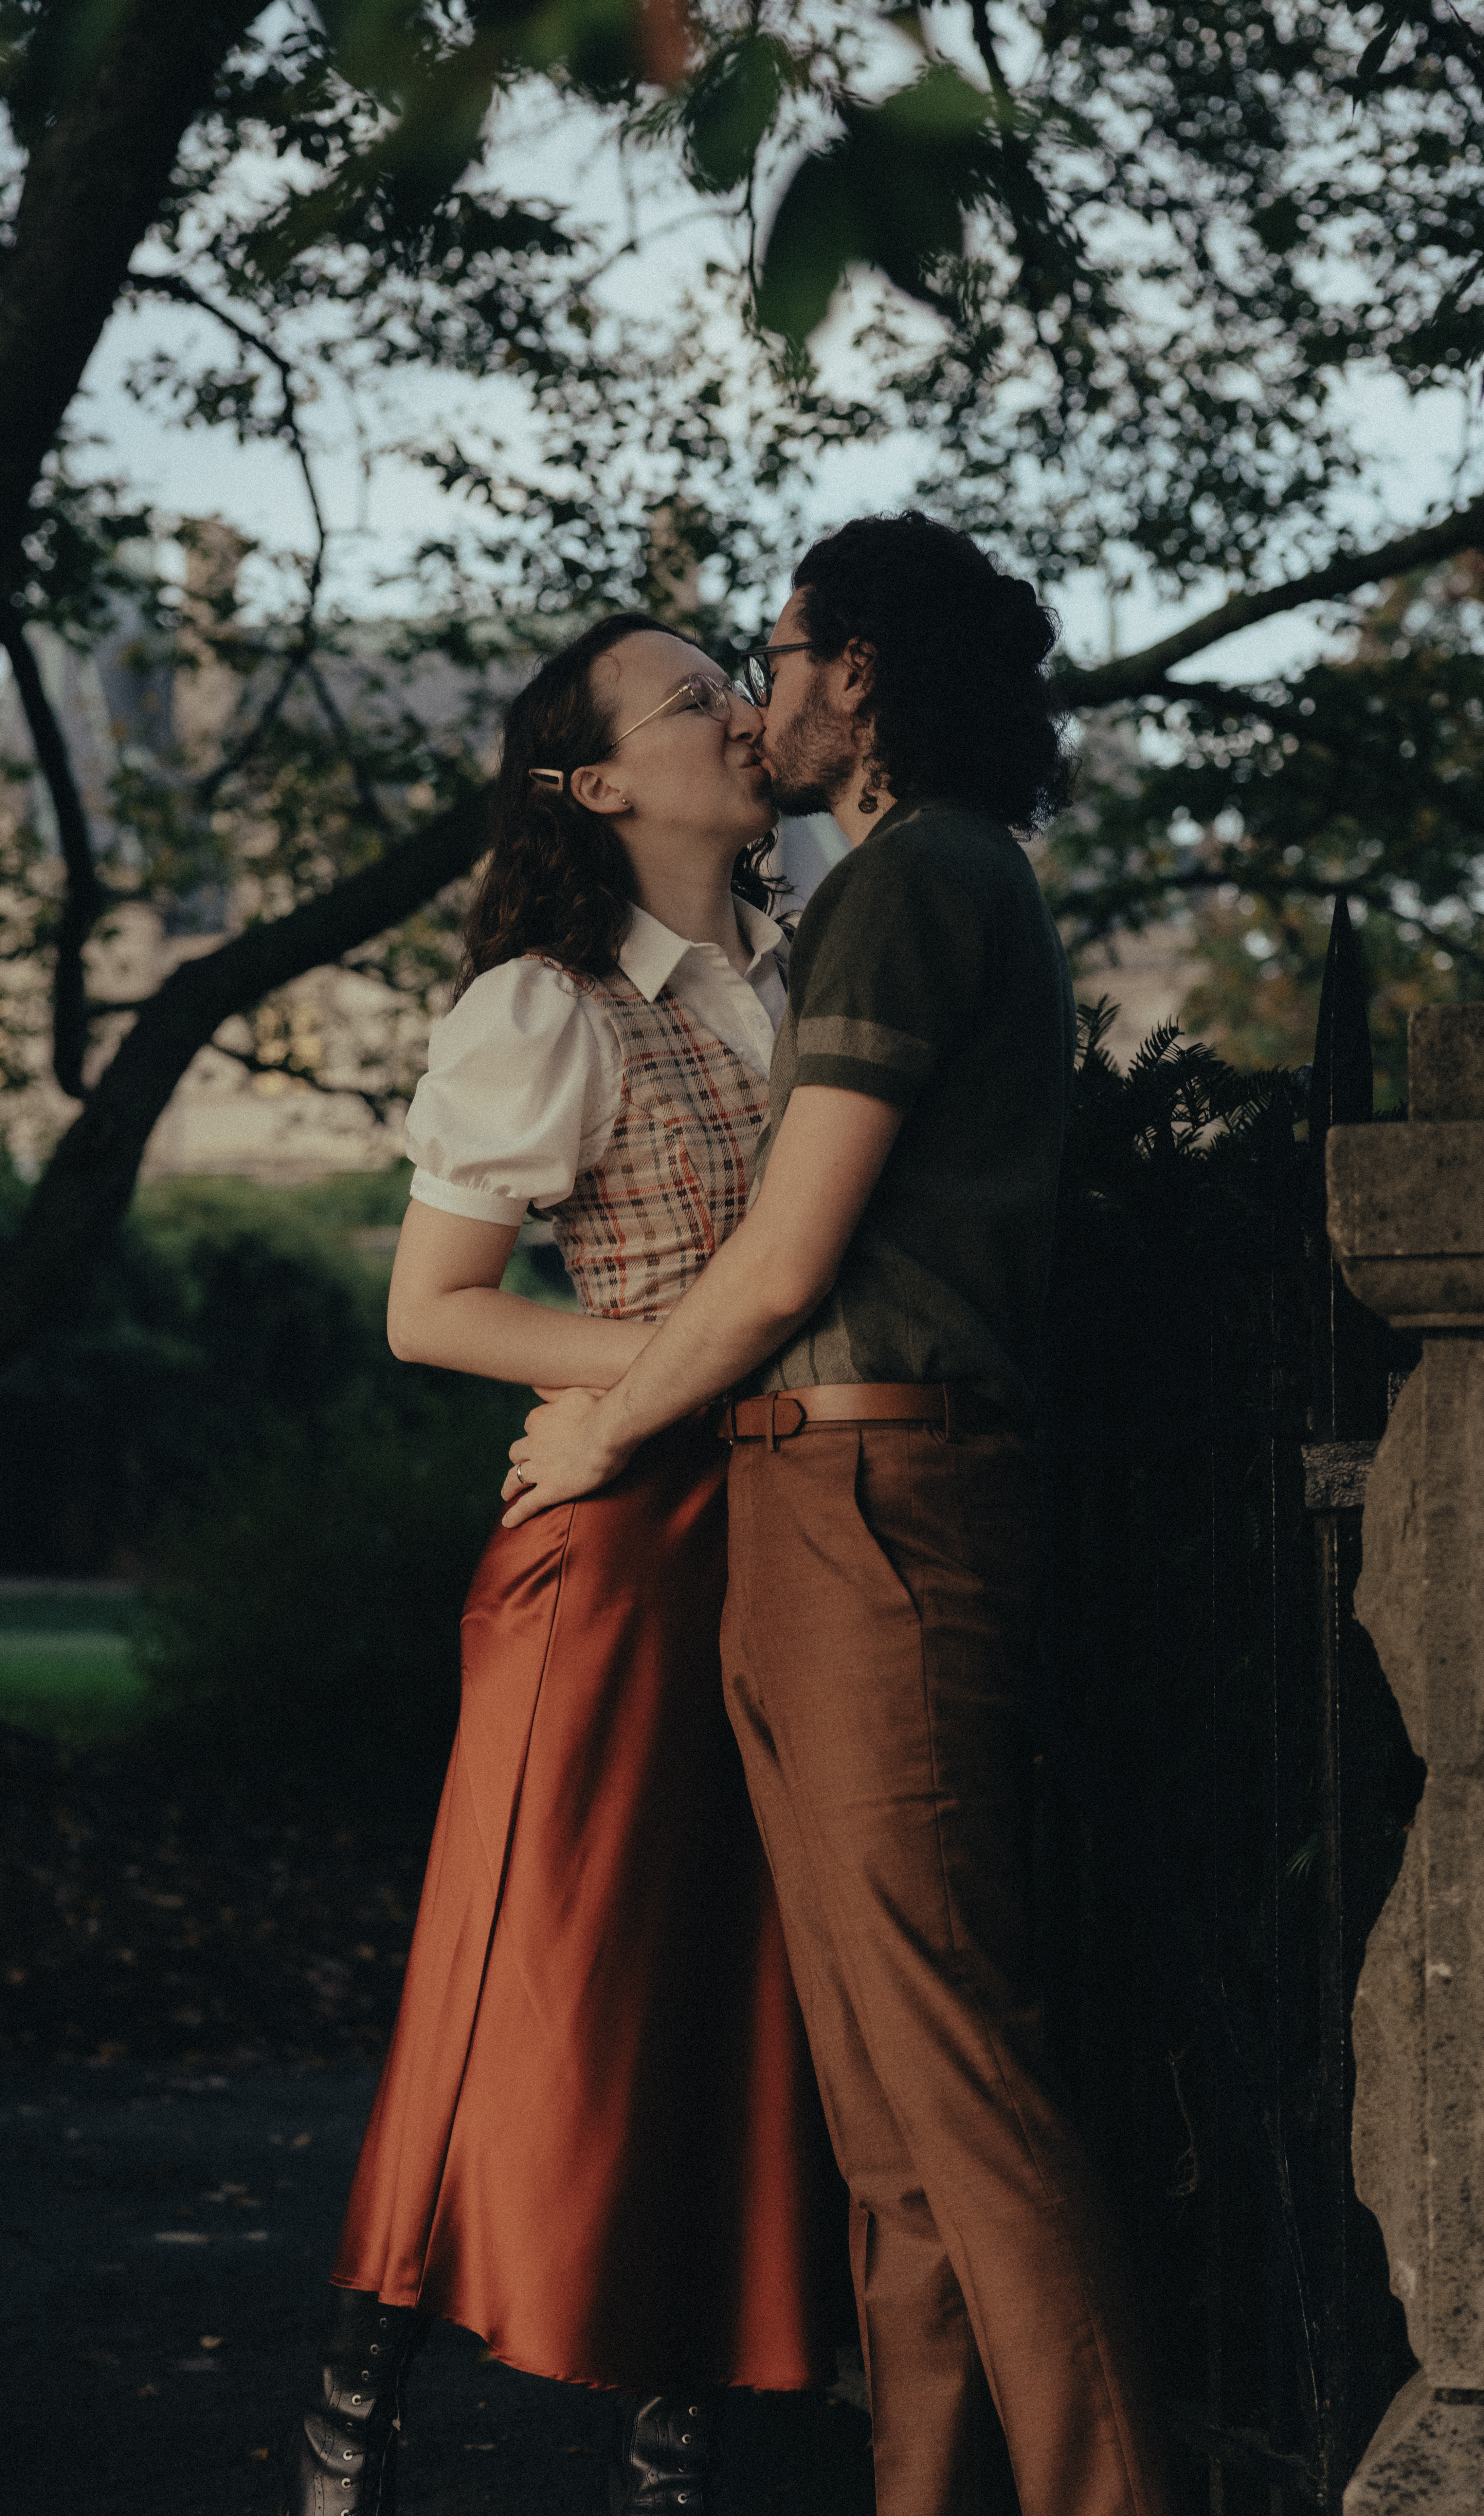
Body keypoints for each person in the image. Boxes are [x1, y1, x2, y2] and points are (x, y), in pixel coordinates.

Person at [505, 516, 1174, 2516]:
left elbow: (786, 1258)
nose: (758, 692)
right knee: (885, 2120)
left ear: (859, 672)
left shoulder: (915, 883)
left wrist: (607, 1419)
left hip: (874, 1496)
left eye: (776, 654)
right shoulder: (907, 885)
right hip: (824, 1501)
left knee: (955, 2085)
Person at [278, 613, 841, 2516]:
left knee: (742, 1983)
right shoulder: (545, 1004)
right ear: (598, 785)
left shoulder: (821, 948)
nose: (743, 713)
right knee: (531, 1969)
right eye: (699, 698)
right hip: (618, 1540)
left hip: (802, 1513)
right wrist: (695, 1365)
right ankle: (362, 2391)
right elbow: (435, 1314)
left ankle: (672, 2436)